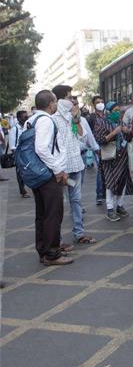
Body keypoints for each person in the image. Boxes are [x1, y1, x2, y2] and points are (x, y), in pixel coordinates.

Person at [28, 90, 72, 265]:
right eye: (55, 102)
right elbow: (42, 149)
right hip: (47, 174)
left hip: (36, 173)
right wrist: (57, 170)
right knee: (53, 214)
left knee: (42, 215)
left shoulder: (32, 120)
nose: (56, 104)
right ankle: (52, 253)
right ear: (50, 104)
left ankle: (43, 250)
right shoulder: (46, 120)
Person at [51, 85, 96, 244]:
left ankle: (79, 233)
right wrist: (57, 168)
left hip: (76, 166)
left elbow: (82, 137)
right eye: (70, 97)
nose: (73, 100)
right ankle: (58, 240)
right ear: (59, 100)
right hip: (60, 170)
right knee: (58, 205)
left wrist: (77, 119)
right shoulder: (51, 118)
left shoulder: (74, 117)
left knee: (76, 201)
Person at [94, 102, 133, 221]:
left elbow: (128, 137)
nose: (117, 113)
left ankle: (120, 206)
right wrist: (113, 133)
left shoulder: (120, 122)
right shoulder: (101, 122)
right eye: (114, 111)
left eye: (118, 110)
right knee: (111, 183)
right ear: (108, 111)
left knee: (122, 182)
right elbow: (100, 140)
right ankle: (110, 209)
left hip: (122, 157)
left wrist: (127, 132)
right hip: (109, 158)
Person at [88, 95, 107, 205]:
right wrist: (94, 147)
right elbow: (89, 134)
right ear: (94, 105)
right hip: (97, 146)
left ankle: (106, 193)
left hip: (108, 145)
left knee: (107, 170)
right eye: (98, 102)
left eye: (102, 101)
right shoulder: (92, 118)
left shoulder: (107, 115)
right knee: (100, 170)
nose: (100, 104)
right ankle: (100, 195)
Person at [7, 110, 30, 196]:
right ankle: (22, 190)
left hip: (28, 153)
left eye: (27, 117)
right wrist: (18, 156)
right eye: (25, 117)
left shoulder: (27, 126)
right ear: (19, 118)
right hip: (19, 154)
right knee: (20, 172)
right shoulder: (14, 129)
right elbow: (12, 146)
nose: (26, 119)